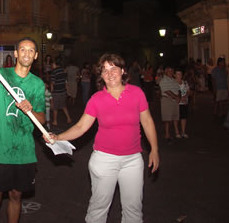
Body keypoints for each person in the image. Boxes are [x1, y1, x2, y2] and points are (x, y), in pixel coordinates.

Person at [44, 53, 159, 223]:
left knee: (133, 209)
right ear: (101, 76)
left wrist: (154, 150)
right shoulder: (96, 99)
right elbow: (81, 127)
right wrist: (58, 137)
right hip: (104, 159)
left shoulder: (137, 93)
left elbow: (148, 122)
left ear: (123, 71)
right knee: (98, 208)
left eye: (113, 68)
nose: (110, 73)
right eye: (105, 70)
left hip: (133, 160)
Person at [0, 37, 45, 223]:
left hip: (24, 153)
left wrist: (31, 110)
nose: (26, 53)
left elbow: (42, 119)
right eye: (22, 49)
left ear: (36, 56)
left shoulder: (38, 84)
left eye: (31, 50)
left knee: (16, 197)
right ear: (16, 53)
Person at [159, 66, 181, 142]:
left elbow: (178, 89)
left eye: (172, 71)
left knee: (174, 118)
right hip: (167, 99)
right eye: (169, 71)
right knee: (167, 119)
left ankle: (173, 132)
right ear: (166, 71)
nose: (171, 72)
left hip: (175, 100)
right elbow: (166, 90)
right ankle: (167, 134)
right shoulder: (163, 80)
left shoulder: (174, 80)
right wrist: (176, 97)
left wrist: (178, 96)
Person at [51, 58, 72, 125]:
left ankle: (55, 121)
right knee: (63, 105)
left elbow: (52, 83)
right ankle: (69, 118)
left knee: (55, 107)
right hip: (63, 91)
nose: (52, 65)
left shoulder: (54, 71)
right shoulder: (64, 71)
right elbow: (66, 82)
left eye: (53, 64)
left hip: (56, 92)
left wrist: (52, 92)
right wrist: (67, 91)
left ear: (55, 64)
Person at [175, 69, 190, 138]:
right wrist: (180, 98)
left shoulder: (185, 83)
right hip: (177, 103)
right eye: (178, 74)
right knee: (176, 118)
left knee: (183, 117)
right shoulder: (173, 83)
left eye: (180, 74)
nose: (179, 76)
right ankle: (177, 132)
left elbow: (188, 91)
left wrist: (185, 96)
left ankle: (183, 132)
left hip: (184, 103)